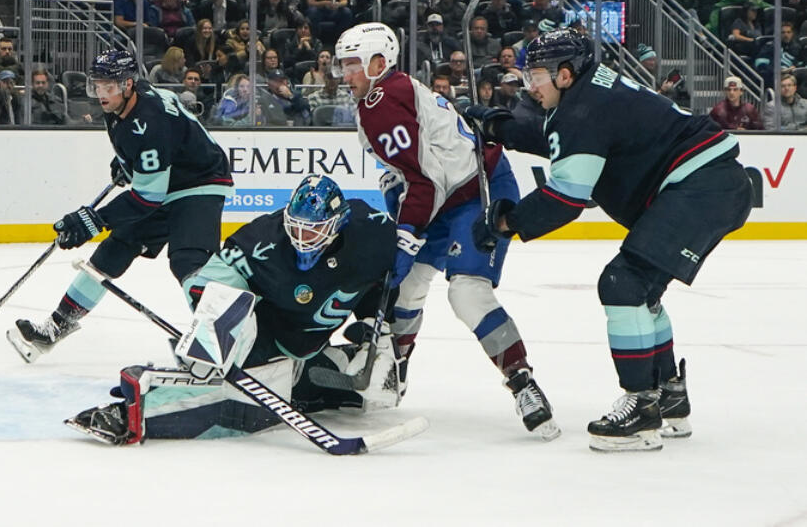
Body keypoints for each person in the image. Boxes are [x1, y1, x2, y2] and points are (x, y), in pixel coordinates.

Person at [471, 29, 752, 451]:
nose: (531, 86)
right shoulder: (590, 92)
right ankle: (668, 395)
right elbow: (559, 137)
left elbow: (564, 199)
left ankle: (641, 408)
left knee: (624, 283)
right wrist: (501, 126)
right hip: (710, 183)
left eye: (537, 76)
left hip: (700, 187)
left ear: (565, 75)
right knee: (643, 290)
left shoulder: (582, 111)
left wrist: (506, 223)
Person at [332, 22, 558, 440]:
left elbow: (427, 181)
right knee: (408, 287)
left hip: (478, 189)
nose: (345, 75)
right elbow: (414, 174)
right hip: (443, 196)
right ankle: (392, 371)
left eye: (352, 66)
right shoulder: (378, 101)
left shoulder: (384, 101)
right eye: (343, 66)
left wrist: (405, 233)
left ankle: (522, 381)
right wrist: (399, 207)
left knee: (467, 291)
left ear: (379, 63)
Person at [66, 175, 411, 445]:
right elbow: (212, 282)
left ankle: (298, 376)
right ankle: (133, 413)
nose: (303, 238)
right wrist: (214, 322)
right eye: (297, 226)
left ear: (339, 225)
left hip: (302, 350)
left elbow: (378, 280)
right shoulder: (263, 239)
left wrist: (372, 328)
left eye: (314, 229)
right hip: (260, 335)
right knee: (242, 412)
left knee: (375, 392)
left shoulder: (373, 232)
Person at [9, 49, 234, 362]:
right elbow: (151, 157)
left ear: (128, 85)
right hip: (168, 178)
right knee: (114, 249)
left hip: (199, 181)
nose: (101, 93)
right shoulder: (124, 103)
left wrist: (94, 220)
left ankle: (218, 338)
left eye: (108, 87)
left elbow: (147, 197)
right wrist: (130, 162)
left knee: (188, 260)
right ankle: (57, 326)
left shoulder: (149, 118)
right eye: (96, 85)